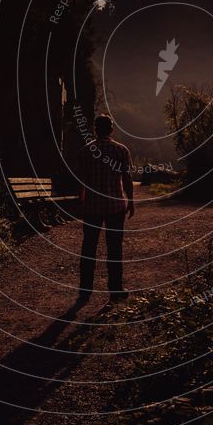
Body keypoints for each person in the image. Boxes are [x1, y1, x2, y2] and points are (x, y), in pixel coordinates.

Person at [76, 114, 135, 303]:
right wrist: (131, 200)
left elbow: (82, 181)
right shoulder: (121, 150)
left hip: (92, 207)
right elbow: (126, 178)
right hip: (115, 205)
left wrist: (82, 202)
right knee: (114, 248)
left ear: (95, 129)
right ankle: (115, 289)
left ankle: (85, 290)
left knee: (89, 247)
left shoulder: (85, 151)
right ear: (111, 129)